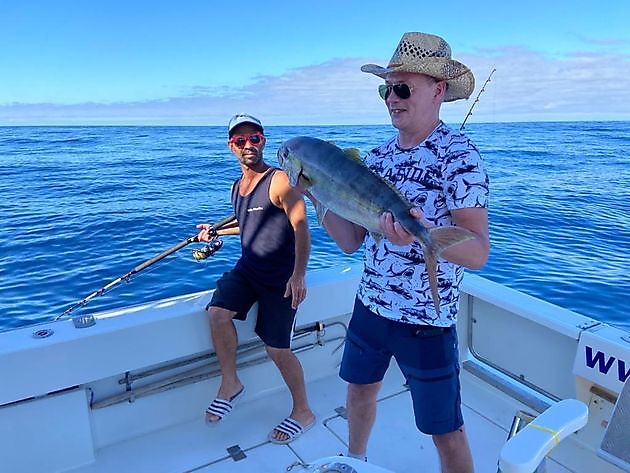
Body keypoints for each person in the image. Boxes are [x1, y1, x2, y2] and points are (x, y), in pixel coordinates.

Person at [308, 33, 489, 472]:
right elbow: (352, 242)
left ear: (438, 90)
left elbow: (479, 252)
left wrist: (427, 232)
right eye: (386, 89)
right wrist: (317, 195)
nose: (392, 98)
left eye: (403, 88)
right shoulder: (376, 157)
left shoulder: (459, 157)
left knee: (445, 429)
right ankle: (355, 460)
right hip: (371, 305)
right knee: (358, 391)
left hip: (427, 322)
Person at [197, 113, 315, 444]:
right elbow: (249, 223)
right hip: (248, 268)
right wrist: (215, 231)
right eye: (240, 141)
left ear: (263, 140)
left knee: (277, 349)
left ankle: (303, 410)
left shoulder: (279, 180)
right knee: (217, 314)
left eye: (254, 139)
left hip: (280, 277)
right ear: (231, 147)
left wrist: (299, 274)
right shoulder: (238, 187)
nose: (248, 145)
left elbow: (301, 225)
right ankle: (230, 382)